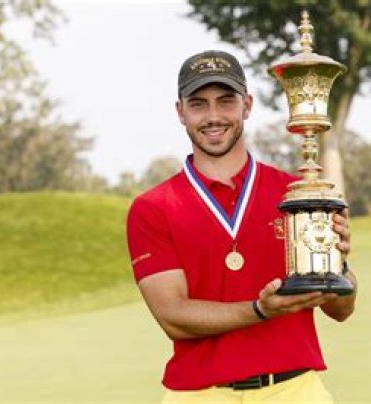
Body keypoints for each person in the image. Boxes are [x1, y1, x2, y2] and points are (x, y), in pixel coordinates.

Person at [126, 49, 358, 403]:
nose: (213, 116)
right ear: (180, 112)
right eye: (198, 104)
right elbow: (173, 316)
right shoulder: (153, 208)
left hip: (296, 391)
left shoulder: (296, 193)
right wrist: (260, 310)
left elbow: (341, 310)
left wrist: (337, 265)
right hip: (201, 396)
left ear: (247, 105)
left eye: (226, 101)